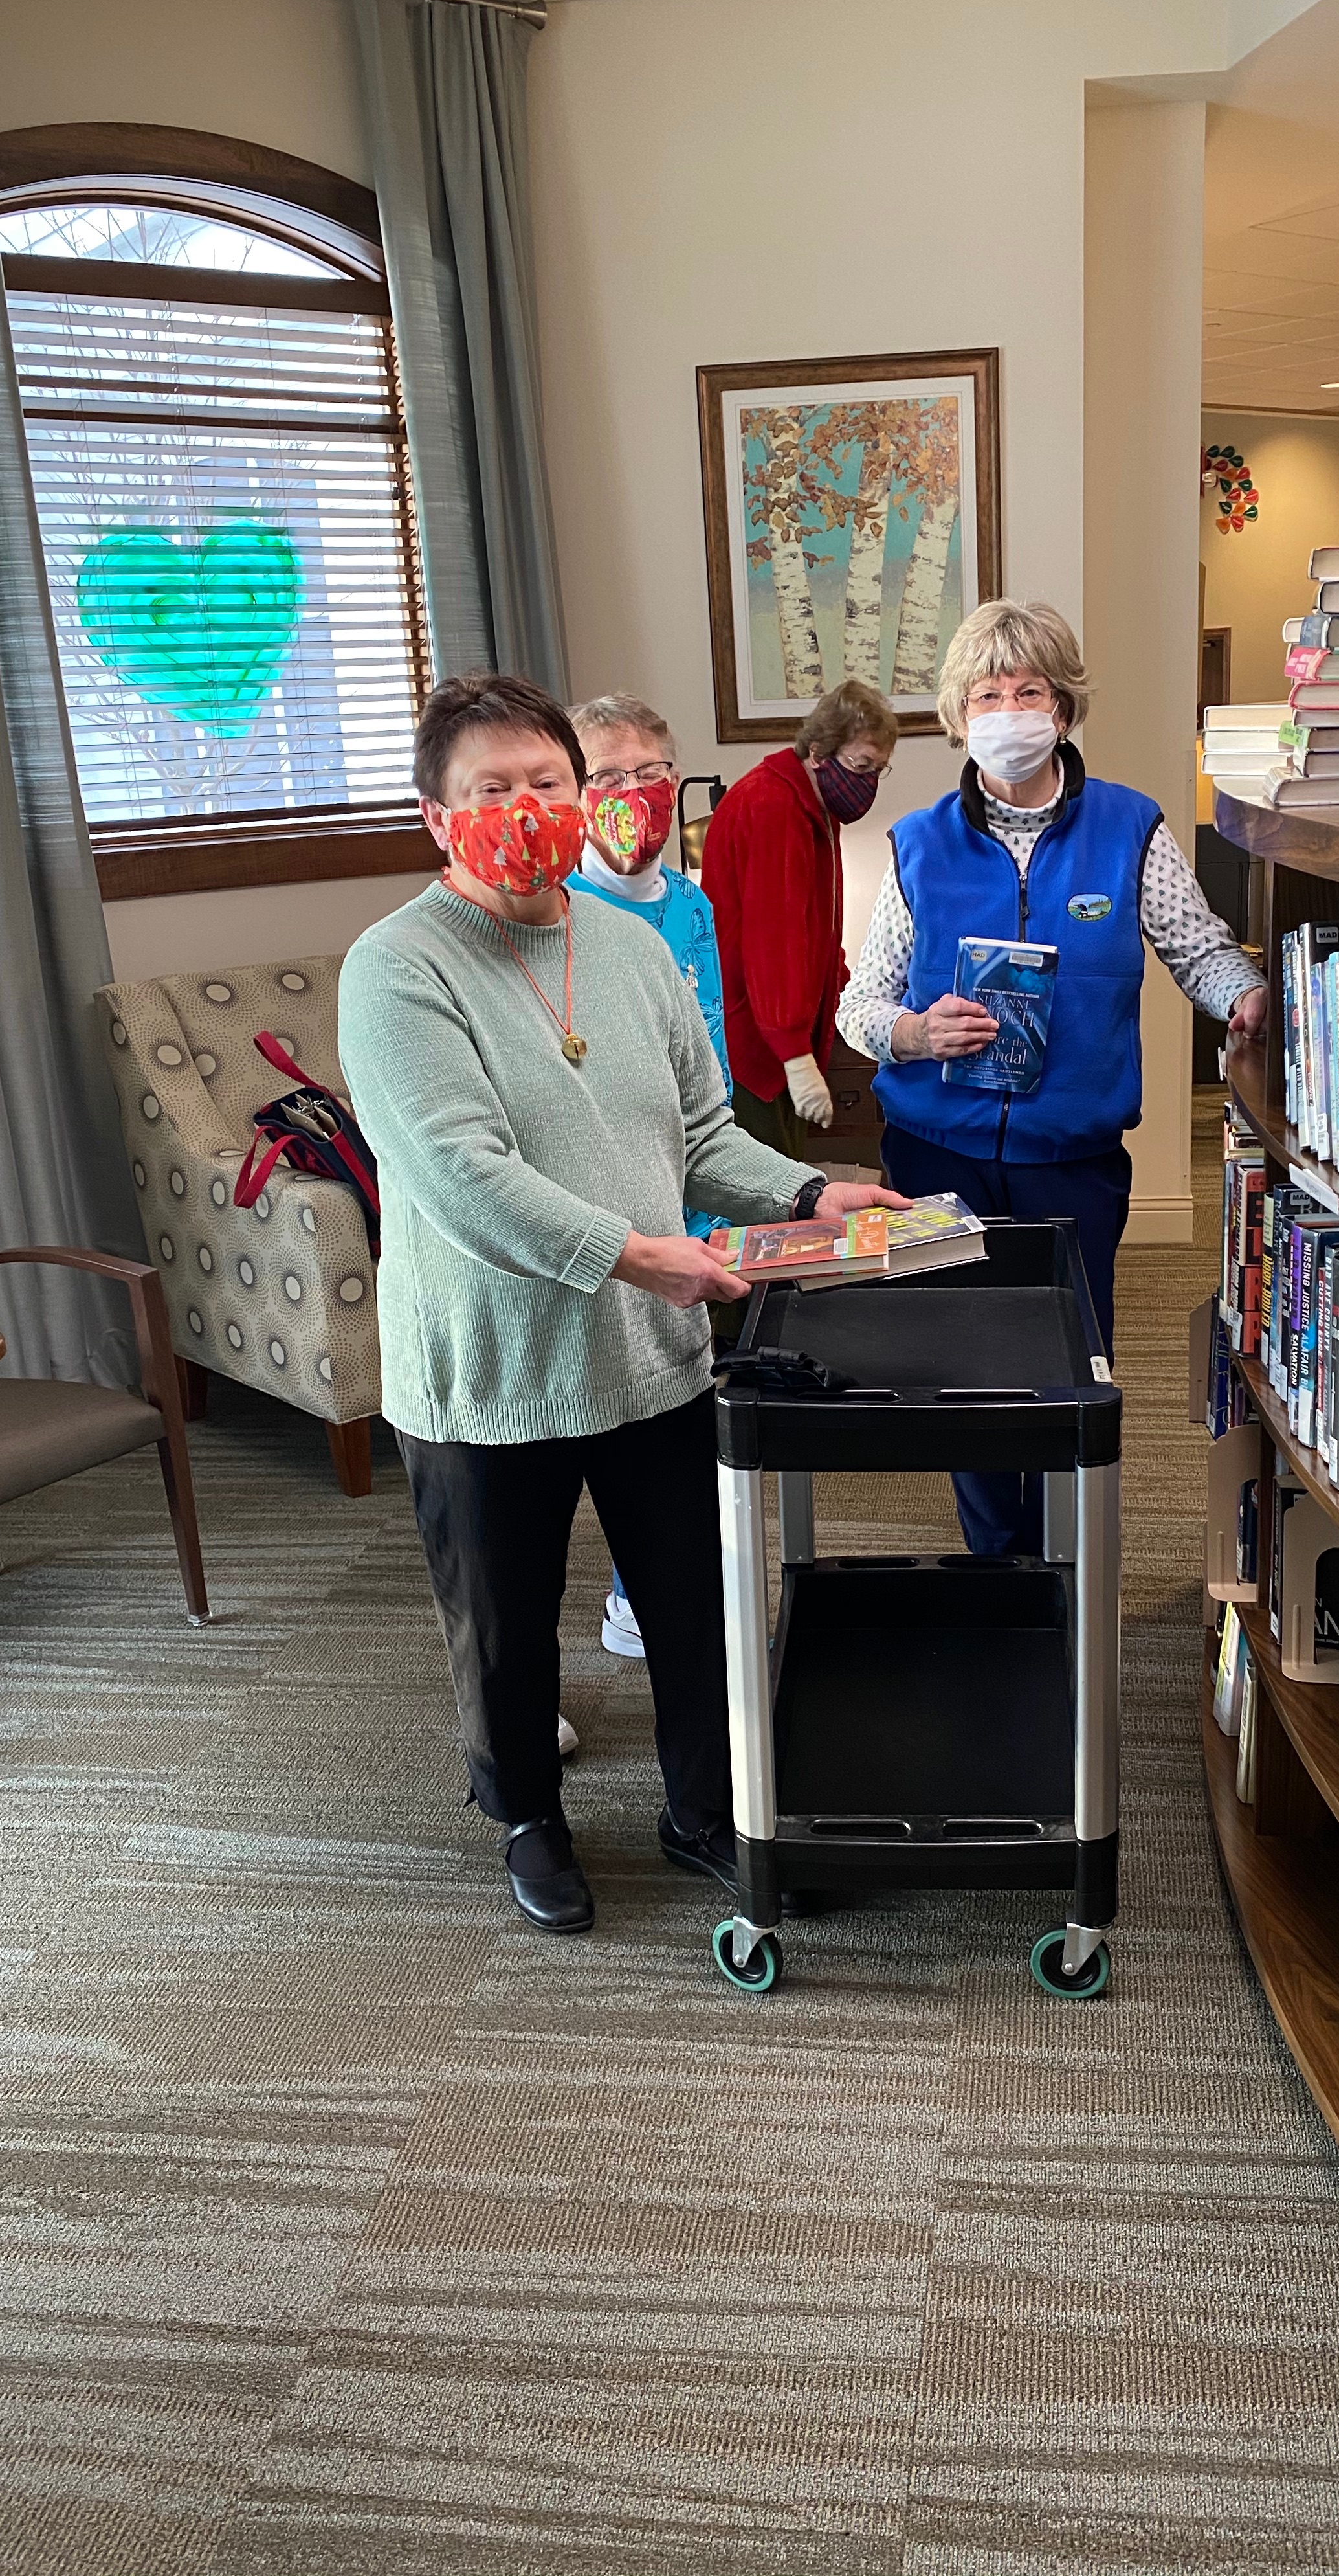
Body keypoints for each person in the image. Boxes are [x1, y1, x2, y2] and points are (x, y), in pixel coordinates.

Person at [338, 671, 902, 1937]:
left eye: (549, 784)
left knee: (693, 1602)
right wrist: (652, 1257)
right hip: (488, 1370)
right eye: (494, 791)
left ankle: (704, 1809)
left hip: (649, 1358)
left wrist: (813, 1193)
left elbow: (702, 1134)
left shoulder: (639, 947)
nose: (528, 810)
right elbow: (464, 1178)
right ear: (439, 817)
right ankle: (529, 1819)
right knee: (508, 1627)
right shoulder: (396, 971)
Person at [837, 598, 1268, 1557]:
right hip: (935, 1152)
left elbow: (1198, 949)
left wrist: (1244, 993)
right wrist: (910, 1031)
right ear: (958, 717)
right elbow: (856, 1006)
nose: (1009, 709)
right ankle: (999, 1566)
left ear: (1063, 709)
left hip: (1070, 1164)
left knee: (1070, 1375)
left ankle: (1068, 1568)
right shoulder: (919, 844)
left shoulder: (1130, 830)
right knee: (962, 1373)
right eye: (986, 693)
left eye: (1029, 690)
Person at [566, 690, 730, 1664]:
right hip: (602, 1200)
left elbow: (702, 1054)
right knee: (600, 1415)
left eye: (652, 772)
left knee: (680, 1399)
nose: (636, 793)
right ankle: (626, 1589)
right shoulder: (562, 911)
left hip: (690, 1182)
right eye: (608, 777)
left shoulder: (693, 903)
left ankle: (652, 1591)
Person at [701, 677, 897, 1159]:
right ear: (817, 752)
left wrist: (847, 991)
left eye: (879, 770)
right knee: (768, 1201)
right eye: (861, 765)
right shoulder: (773, 806)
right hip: (754, 1045)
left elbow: (819, 927)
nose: (867, 781)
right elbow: (776, 943)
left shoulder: (815, 805)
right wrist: (793, 1051)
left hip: (775, 1040)